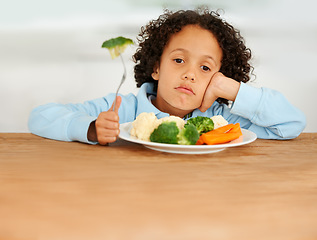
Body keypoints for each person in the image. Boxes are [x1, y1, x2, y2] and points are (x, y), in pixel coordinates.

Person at [28, 8, 306, 145]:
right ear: (156, 67)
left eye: (206, 68)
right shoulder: (123, 109)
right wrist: (89, 128)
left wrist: (233, 90)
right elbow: (40, 116)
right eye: (179, 60)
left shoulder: (224, 122)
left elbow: (291, 124)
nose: (189, 74)